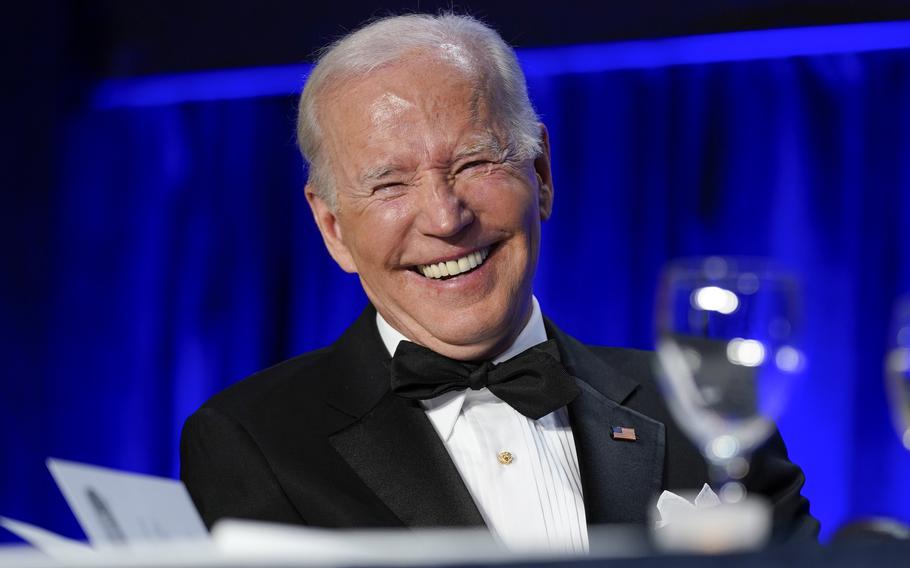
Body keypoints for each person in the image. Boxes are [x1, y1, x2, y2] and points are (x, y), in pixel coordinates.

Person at [180, 13, 818, 551]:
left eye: (475, 161)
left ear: (540, 173)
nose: (445, 218)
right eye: (389, 184)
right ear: (333, 228)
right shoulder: (251, 438)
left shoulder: (709, 404)